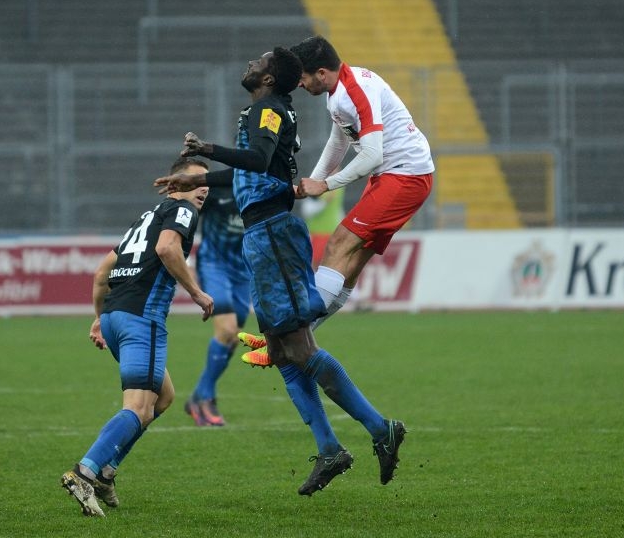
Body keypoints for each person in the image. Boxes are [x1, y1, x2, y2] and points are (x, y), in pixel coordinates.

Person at [154, 47, 405, 495]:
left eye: (260, 61)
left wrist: (206, 150)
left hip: (272, 232)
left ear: (269, 79)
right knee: (281, 352)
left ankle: (379, 428)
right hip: (260, 234)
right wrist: (200, 179)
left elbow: (256, 159)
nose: (251, 63)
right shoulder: (262, 109)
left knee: (299, 348)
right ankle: (330, 449)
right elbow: (253, 170)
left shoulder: (268, 110)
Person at [240, 35, 433, 363]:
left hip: (404, 175)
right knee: (351, 265)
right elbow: (339, 144)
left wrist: (325, 185)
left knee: (337, 245)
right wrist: (313, 180)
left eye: (303, 77)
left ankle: (287, 339)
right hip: (398, 175)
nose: (299, 84)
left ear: (322, 73)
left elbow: (372, 154)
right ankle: (288, 342)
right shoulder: (339, 92)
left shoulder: (353, 91)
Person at [61, 157, 214, 517]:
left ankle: (108, 471)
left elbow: (102, 273)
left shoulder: (146, 218)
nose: (203, 187)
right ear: (175, 185)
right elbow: (166, 249)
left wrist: (100, 320)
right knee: (139, 408)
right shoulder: (181, 211)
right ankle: (86, 471)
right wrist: (196, 292)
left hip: (115, 317)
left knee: (164, 397)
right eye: (194, 181)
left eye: (205, 181)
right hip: (141, 320)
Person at [183, 182, 251, 427]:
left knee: (232, 337)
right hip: (214, 265)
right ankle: (206, 397)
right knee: (227, 330)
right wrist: (185, 259)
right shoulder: (217, 190)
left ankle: (198, 395)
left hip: (243, 270)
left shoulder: (261, 188)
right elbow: (186, 221)